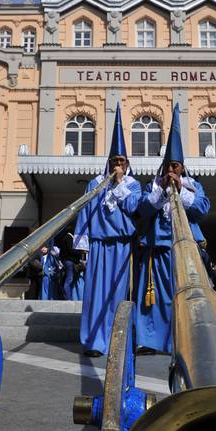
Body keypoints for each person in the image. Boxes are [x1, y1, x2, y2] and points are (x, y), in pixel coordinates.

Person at [135, 104, 210, 354]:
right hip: (157, 250)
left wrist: (181, 191)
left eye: (175, 167)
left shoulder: (194, 186)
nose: (171, 171)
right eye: (168, 166)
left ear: (182, 168)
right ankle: (152, 340)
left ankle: (185, 339)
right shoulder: (152, 187)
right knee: (154, 296)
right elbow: (143, 210)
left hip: (185, 250)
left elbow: (201, 209)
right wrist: (161, 194)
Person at [74, 103, 142, 356]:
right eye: (114, 161)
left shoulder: (134, 186)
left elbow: (136, 207)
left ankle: (117, 340)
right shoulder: (95, 184)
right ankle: (93, 341)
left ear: (127, 163)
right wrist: (83, 244)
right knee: (95, 294)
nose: (117, 165)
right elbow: (85, 212)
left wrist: (121, 184)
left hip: (123, 245)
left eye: (121, 161)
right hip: (99, 244)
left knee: (118, 295)